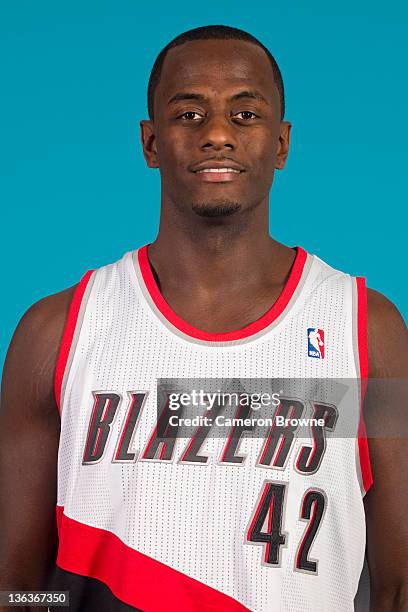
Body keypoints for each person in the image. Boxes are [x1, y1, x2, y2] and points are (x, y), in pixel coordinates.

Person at [0, 24, 407, 612]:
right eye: (189, 114)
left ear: (282, 143)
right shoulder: (56, 333)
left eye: (245, 115)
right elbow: (16, 589)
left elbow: (396, 589)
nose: (217, 134)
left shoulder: (367, 333)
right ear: (151, 142)